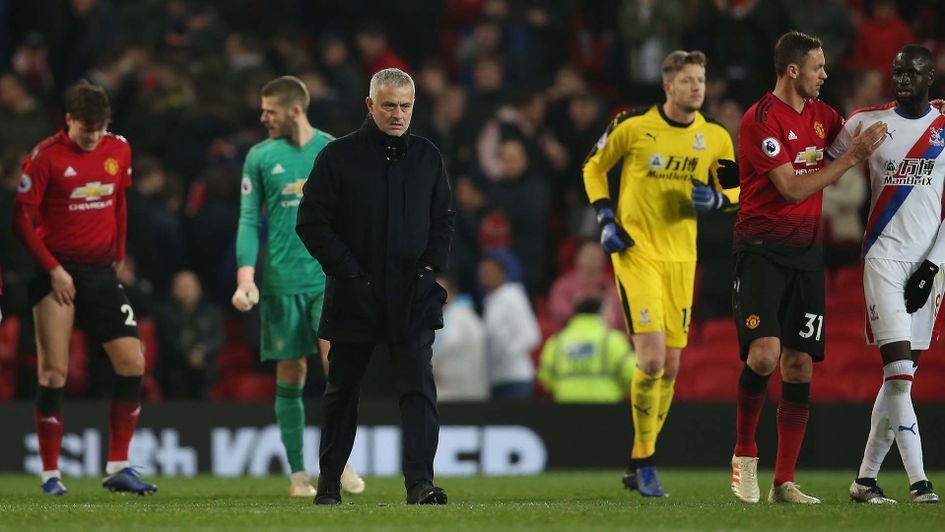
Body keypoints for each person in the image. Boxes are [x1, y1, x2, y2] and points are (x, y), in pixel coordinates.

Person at [729, 31, 888, 505]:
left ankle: (784, 482)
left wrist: (924, 111)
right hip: (759, 249)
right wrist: (853, 159)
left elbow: (862, 128)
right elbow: (793, 190)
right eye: (818, 67)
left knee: (799, 365)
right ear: (793, 70)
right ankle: (743, 456)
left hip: (805, 254)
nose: (825, 74)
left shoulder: (824, 117)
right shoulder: (761, 119)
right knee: (764, 355)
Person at [583, 50, 739, 497]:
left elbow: (733, 187)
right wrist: (606, 219)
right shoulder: (632, 126)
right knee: (650, 359)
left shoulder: (715, 137)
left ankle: (638, 458)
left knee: (670, 367)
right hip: (636, 253)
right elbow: (593, 167)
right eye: (688, 81)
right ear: (668, 87)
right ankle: (648, 461)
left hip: (681, 260)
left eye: (701, 81)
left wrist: (717, 202)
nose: (697, 88)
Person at [296, 68, 453, 505]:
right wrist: (350, 272)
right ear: (369, 105)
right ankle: (329, 484)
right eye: (389, 105)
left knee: (419, 389)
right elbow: (311, 223)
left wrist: (428, 270)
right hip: (354, 294)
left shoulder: (427, 157)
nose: (398, 114)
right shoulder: (337, 157)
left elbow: (443, 220)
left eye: (405, 106)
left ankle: (421, 484)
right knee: (342, 391)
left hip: (412, 294)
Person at [12, 80, 157, 495]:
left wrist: (120, 252)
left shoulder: (119, 150)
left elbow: (118, 202)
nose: (92, 137)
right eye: (85, 129)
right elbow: (21, 221)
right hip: (57, 271)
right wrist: (54, 269)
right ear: (69, 120)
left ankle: (118, 466)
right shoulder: (44, 157)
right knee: (54, 371)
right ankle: (50, 474)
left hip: (100, 272)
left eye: (99, 128)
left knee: (133, 361)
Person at [231, 76, 364, 497]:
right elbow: (250, 220)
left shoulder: (331, 150)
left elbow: (353, 215)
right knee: (291, 373)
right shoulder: (259, 157)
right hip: (281, 284)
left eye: (269, 110)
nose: (262, 117)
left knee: (338, 368)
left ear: (294, 111)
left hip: (326, 280)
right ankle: (297, 475)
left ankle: (338, 463)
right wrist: (245, 275)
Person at [827, 44, 944, 505]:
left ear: (929, 78)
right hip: (882, 258)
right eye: (896, 72)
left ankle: (865, 480)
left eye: (912, 73)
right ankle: (920, 482)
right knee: (898, 371)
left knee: (900, 379)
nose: (902, 79)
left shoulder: (942, 126)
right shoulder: (864, 123)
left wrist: (933, 266)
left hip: (929, 266)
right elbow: (821, 163)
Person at [538, 299, 635, 403]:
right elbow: (631, 373)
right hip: (606, 404)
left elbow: (545, 374)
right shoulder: (612, 340)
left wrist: (565, 387)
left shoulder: (558, 340)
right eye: (609, 311)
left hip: (566, 403)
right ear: (601, 313)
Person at [479, 254, 541, 400]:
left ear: (502, 274)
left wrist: (507, 356)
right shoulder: (490, 301)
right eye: (482, 272)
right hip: (496, 379)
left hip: (515, 378)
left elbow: (531, 335)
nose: (484, 276)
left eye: (489, 272)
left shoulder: (512, 296)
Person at [157, 270, 222, 399]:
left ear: (199, 289)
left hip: (204, 365)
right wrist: (189, 355)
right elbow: (169, 341)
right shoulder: (165, 314)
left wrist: (202, 350)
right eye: (181, 287)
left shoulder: (212, 312)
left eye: (189, 287)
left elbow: (218, 339)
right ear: (173, 290)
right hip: (174, 367)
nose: (186, 291)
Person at [431, 275, 488, 401]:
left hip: (455, 391)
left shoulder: (454, 316)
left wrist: (431, 366)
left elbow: (449, 343)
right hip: (474, 388)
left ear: (451, 293)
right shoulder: (468, 314)